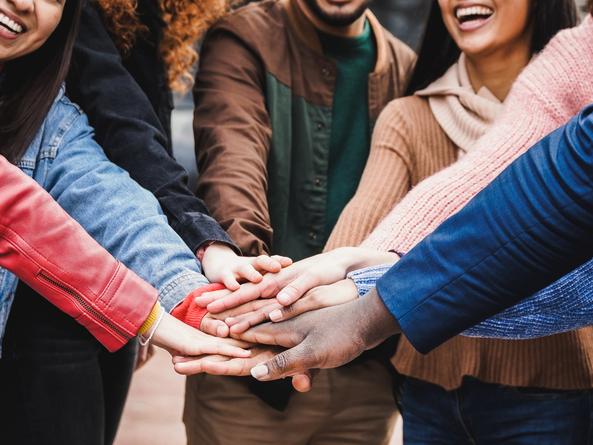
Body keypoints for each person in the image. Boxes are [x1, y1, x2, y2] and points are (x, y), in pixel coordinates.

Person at [0, 1, 256, 444]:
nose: (27, 1)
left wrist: (193, 292)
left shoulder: (48, 116)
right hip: (58, 308)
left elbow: (109, 195)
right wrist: (146, 312)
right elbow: (19, 210)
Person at [189, 0, 416, 442]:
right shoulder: (245, 37)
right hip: (251, 364)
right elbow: (231, 157)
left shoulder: (407, 69)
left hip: (366, 371)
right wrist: (252, 284)